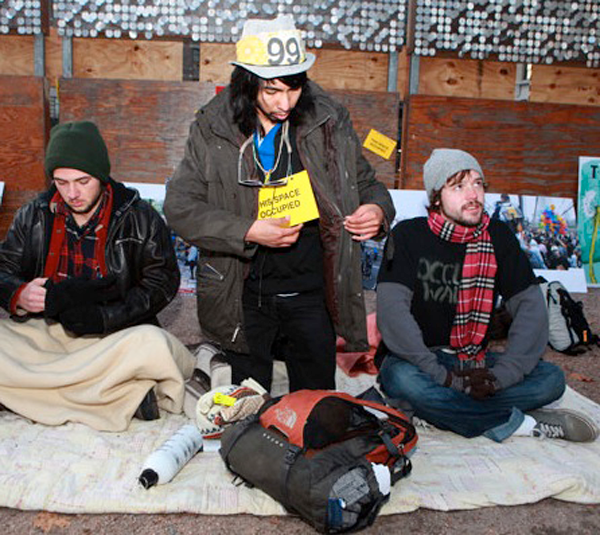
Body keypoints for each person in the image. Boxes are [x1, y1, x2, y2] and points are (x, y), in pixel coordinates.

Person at [165, 14, 394, 392]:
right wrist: (249, 231)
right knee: (248, 408)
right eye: (271, 91)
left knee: (315, 408)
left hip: (311, 291)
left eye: (293, 89)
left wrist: (378, 210)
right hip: (242, 293)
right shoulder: (213, 125)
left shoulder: (328, 119)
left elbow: (369, 184)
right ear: (247, 81)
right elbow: (180, 206)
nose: (284, 102)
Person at [375, 148, 597, 443]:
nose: (473, 195)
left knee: (552, 381)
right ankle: (519, 423)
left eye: (478, 184)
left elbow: (531, 310)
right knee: (400, 381)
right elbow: (393, 316)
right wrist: (443, 377)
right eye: (459, 186)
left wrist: (501, 377)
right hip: (420, 360)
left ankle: (442, 412)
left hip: (474, 360)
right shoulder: (407, 235)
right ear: (436, 196)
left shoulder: (498, 235)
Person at [0, 120, 194, 431]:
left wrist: (105, 317)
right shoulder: (32, 215)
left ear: (101, 176)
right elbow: (3, 268)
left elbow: (161, 282)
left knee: (155, 344)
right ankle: (116, 394)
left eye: (83, 181)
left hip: (113, 335)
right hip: (45, 332)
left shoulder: (139, 217)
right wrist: (18, 294)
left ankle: (31, 391)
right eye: (61, 183)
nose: (72, 193)